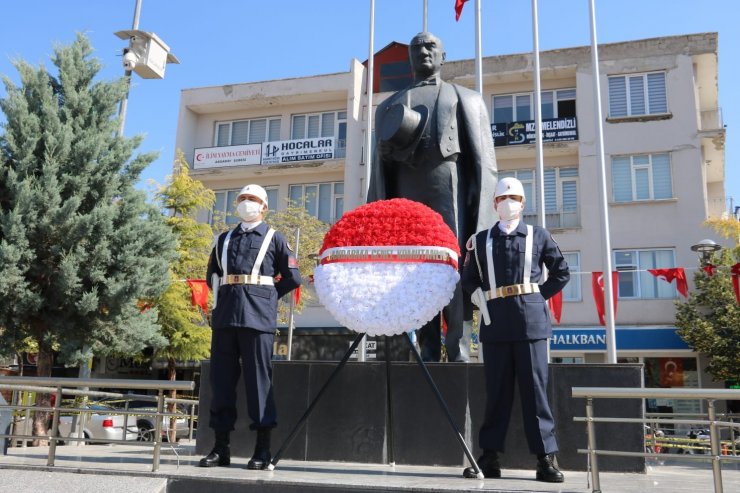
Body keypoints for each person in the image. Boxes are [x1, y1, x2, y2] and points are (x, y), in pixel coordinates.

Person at [368, 31, 497, 362]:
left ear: (443, 56)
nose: (423, 52)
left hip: (449, 189)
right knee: (417, 270)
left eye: (430, 47)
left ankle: (458, 346)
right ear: (409, 57)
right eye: (416, 48)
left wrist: (483, 221)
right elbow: (379, 171)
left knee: (453, 265)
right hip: (407, 196)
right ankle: (424, 347)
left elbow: (484, 162)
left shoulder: (465, 97)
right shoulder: (389, 106)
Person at [461, 177, 569, 482]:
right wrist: (476, 296)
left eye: (513, 197)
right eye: (502, 197)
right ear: (495, 204)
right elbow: (468, 277)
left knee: (535, 393)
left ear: (522, 203)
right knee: (496, 393)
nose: (508, 201)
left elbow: (561, 272)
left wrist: (536, 298)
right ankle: (489, 458)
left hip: (530, 323)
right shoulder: (479, 240)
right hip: (495, 324)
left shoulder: (540, 236)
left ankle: (545, 459)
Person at [199, 184, 301, 469]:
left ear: (264, 206)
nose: (246, 203)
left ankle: (262, 450)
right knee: (221, 384)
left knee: (259, 384)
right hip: (225, 318)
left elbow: (293, 277)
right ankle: (221, 448)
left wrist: (266, 298)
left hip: (258, 319)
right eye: (242, 199)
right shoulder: (223, 239)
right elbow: (213, 277)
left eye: (253, 199)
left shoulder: (275, 238)